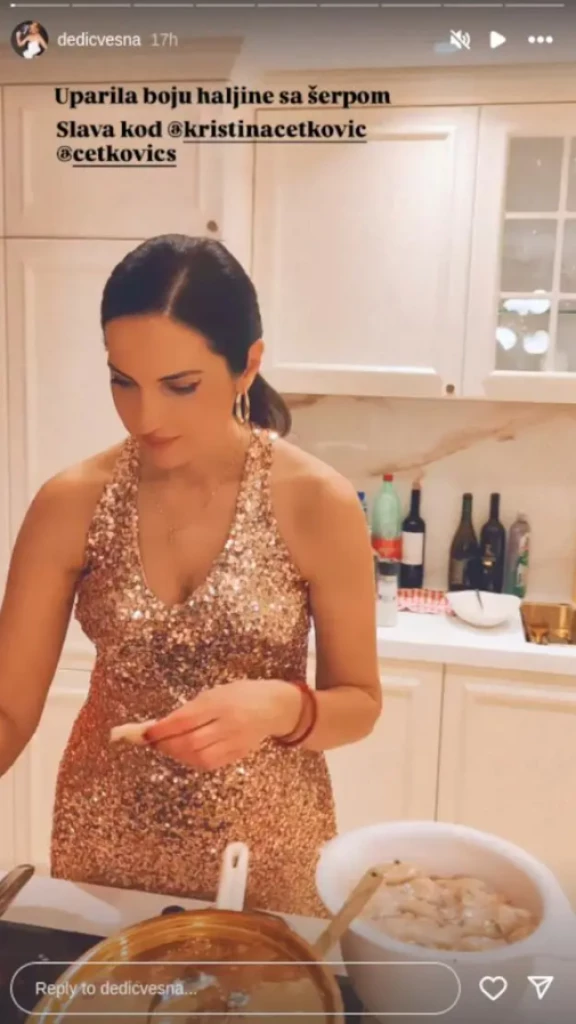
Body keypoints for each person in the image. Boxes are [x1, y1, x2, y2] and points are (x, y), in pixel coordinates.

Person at [0, 235, 381, 916]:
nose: (145, 416)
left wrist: (280, 706)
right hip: (105, 847)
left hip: (269, 853)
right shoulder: (70, 502)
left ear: (247, 365)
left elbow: (360, 702)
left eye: (180, 386)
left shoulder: (316, 501)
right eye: (123, 381)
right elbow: (7, 712)